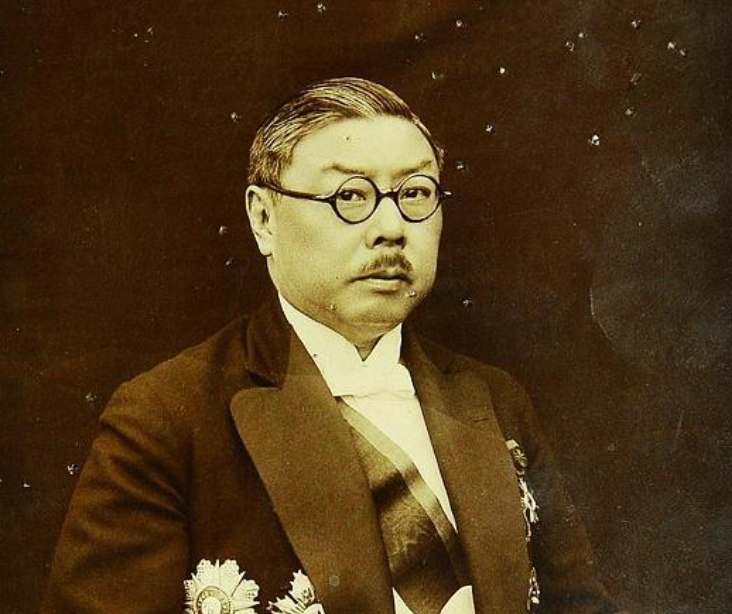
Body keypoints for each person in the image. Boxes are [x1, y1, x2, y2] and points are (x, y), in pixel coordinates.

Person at [42, 77, 623, 614]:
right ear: (263, 218)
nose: (391, 228)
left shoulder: (495, 400)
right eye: (350, 196)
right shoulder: (166, 419)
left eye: (415, 193)